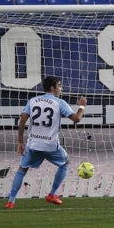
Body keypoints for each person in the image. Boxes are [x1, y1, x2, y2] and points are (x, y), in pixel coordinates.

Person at [5, 77, 87, 209]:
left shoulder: (32, 101)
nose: (62, 88)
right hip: (50, 145)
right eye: (59, 86)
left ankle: (11, 201)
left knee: (22, 169)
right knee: (65, 163)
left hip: (34, 144)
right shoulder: (59, 103)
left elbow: (22, 121)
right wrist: (82, 105)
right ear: (52, 88)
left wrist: (20, 141)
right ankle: (52, 194)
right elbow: (77, 119)